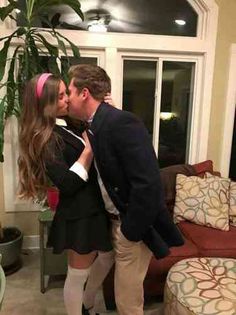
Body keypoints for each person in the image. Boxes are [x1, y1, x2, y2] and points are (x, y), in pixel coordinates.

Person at [67, 64, 184, 315]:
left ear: (84, 93)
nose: (66, 98)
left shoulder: (121, 122)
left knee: (127, 302)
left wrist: (130, 231)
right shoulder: (96, 123)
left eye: (70, 92)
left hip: (130, 227)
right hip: (114, 221)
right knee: (124, 297)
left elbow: (149, 184)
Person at [18, 73, 115, 315]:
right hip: (78, 213)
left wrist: (106, 112)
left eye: (66, 93)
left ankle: (87, 303)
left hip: (94, 207)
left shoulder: (66, 124)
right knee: (77, 274)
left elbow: (94, 127)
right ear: (45, 105)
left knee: (107, 257)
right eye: (60, 96)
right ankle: (81, 309)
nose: (67, 100)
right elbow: (66, 183)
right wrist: (88, 153)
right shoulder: (44, 138)